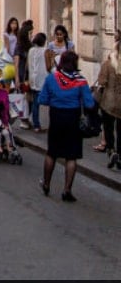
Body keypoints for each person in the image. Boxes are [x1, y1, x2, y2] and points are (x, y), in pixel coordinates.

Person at [38, 51, 95, 202]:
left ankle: (46, 184)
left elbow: (42, 99)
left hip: (56, 117)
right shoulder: (81, 81)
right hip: (73, 119)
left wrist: (56, 100)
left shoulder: (51, 78)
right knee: (71, 156)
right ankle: (67, 190)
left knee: (52, 153)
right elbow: (89, 104)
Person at [96, 31, 121, 168]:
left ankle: (111, 150)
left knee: (108, 128)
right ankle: (120, 154)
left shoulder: (108, 64)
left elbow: (102, 81)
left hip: (108, 102)